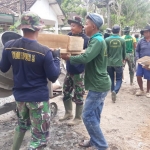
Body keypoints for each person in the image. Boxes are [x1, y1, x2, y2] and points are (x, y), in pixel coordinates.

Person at [0, 11, 60, 150]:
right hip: (37, 99)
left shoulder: (9, 45)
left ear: (22, 27)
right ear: (38, 28)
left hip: (20, 98)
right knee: (39, 138)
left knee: (22, 125)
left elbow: (3, 68)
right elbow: (53, 76)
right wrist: (56, 58)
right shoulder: (44, 51)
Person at [61, 13, 111, 150]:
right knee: (94, 114)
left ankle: (101, 146)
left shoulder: (97, 40)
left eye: (87, 24)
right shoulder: (96, 39)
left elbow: (86, 57)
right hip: (99, 83)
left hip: (98, 84)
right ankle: (94, 140)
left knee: (87, 115)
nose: (85, 27)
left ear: (93, 26)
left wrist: (68, 58)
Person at [59, 16, 89, 126]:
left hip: (79, 71)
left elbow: (87, 55)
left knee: (79, 94)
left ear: (80, 27)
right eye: (71, 25)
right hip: (69, 69)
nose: (71, 28)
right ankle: (68, 113)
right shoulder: (68, 36)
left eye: (74, 26)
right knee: (66, 91)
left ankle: (78, 117)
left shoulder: (86, 39)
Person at [106, 25, 126, 102]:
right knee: (119, 79)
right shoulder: (122, 40)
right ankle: (115, 91)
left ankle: (112, 91)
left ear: (112, 31)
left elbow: (105, 52)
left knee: (111, 78)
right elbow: (124, 52)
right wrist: (123, 59)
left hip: (109, 63)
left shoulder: (107, 40)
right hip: (118, 63)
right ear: (119, 31)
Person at [136, 25, 150, 98]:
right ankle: (141, 90)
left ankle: (148, 91)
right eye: (144, 32)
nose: (144, 33)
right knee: (138, 75)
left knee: (149, 77)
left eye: (146, 32)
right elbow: (137, 51)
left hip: (149, 62)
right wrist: (137, 58)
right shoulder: (141, 41)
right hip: (141, 62)